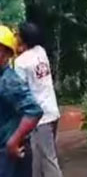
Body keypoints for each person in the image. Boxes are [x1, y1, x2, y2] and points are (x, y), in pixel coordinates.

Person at [14, 23, 63, 177]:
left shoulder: (21, 63)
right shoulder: (41, 52)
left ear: (23, 38)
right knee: (37, 159)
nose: (15, 37)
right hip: (51, 111)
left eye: (17, 34)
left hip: (39, 117)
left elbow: (19, 91)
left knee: (48, 159)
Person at [0, 25, 43, 177]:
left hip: (8, 155)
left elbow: (34, 110)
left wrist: (13, 141)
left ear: (6, 54)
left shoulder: (8, 81)